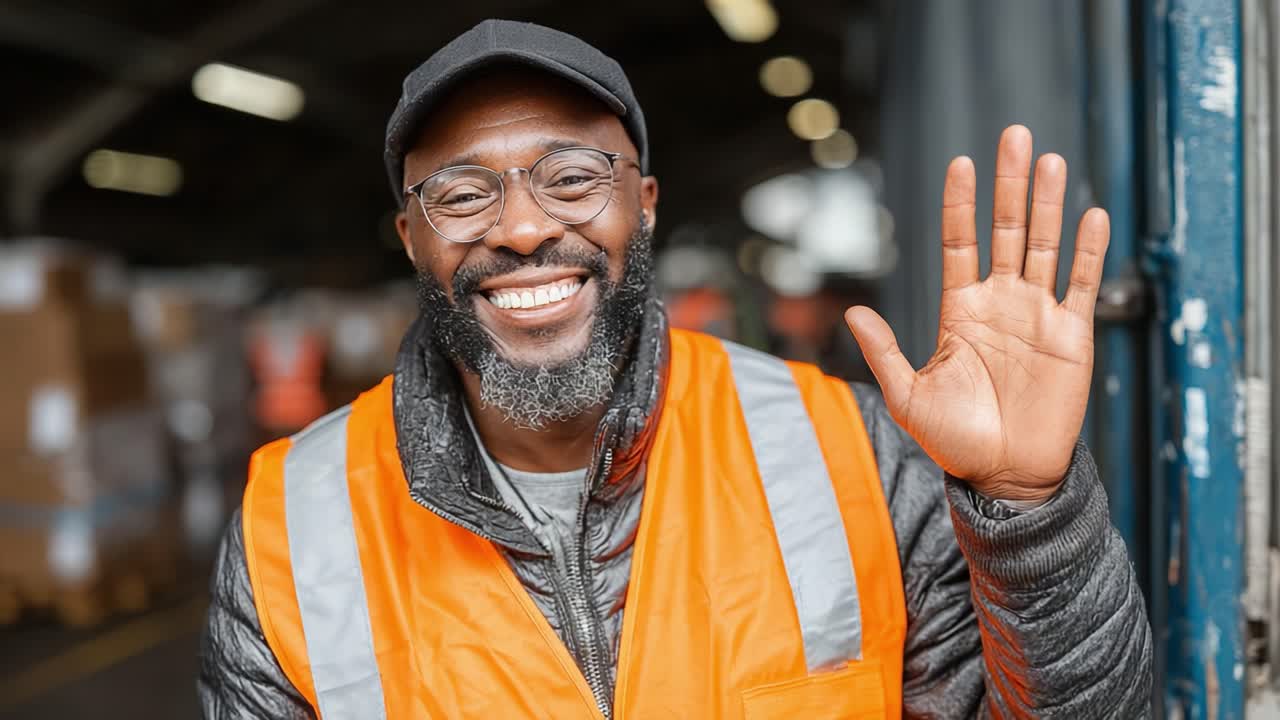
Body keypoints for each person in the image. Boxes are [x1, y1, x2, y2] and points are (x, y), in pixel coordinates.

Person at [199, 19, 1152, 719]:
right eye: (462, 194)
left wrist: (1032, 512)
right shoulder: (298, 523)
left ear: (644, 206)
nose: (525, 227)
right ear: (412, 237)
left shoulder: (851, 455)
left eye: (573, 178)